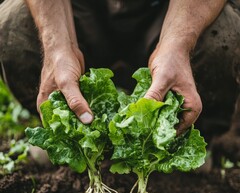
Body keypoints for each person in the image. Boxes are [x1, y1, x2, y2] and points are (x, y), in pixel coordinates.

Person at [0, 0, 240, 164]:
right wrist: (58, 47)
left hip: (166, 11)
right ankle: (68, 142)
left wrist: (178, 44)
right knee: (12, 26)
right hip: (81, 11)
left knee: (224, 35)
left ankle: (184, 139)